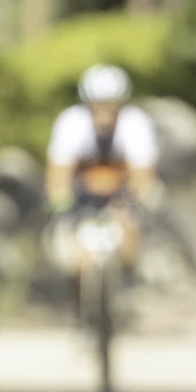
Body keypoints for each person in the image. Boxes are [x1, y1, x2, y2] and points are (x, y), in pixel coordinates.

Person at [45, 64, 160, 272]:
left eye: (110, 106)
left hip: (120, 196)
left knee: (131, 232)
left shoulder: (135, 123)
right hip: (81, 198)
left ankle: (131, 277)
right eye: (98, 105)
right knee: (71, 254)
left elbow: (143, 178)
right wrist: (63, 205)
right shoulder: (71, 122)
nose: (104, 113)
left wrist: (131, 205)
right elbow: (58, 176)